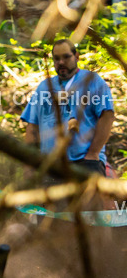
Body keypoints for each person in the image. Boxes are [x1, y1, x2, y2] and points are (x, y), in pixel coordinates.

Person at [20, 39, 114, 179]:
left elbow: (107, 116)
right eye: (56, 59)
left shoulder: (92, 81)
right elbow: (32, 126)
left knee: (87, 201)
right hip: (50, 165)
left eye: (66, 57)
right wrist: (29, 164)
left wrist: (93, 154)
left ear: (76, 57)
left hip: (85, 162)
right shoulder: (44, 87)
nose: (61, 62)